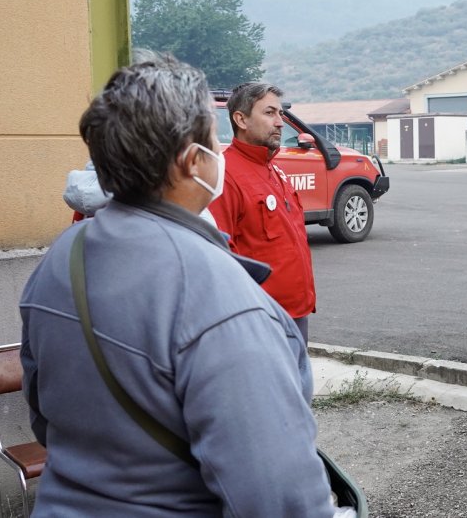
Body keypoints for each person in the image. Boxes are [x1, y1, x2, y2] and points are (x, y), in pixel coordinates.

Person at [20, 51, 336, 516]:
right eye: (213, 136)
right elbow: (280, 497)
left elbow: (44, 417)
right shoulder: (219, 296)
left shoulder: (64, 255)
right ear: (193, 161)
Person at [210, 82, 316, 341]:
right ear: (241, 119)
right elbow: (220, 258)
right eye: (270, 113)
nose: (280, 122)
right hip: (261, 321)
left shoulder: (274, 170)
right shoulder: (226, 176)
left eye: (280, 113)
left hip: (296, 313)